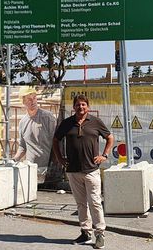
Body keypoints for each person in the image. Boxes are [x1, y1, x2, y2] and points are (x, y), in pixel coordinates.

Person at [53, 94, 114, 249]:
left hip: (91, 170)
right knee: (81, 204)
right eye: (78, 105)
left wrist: (104, 155)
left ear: (88, 106)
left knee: (94, 202)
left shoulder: (95, 122)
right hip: (73, 171)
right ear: (74, 107)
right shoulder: (67, 123)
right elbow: (55, 140)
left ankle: (99, 234)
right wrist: (60, 158)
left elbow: (110, 138)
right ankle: (85, 233)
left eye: (83, 105)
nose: (81, 107)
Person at [13, 87, 56, 181]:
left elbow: (56, 142)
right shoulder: (23, 122)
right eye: (29, 99)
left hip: (47, 169)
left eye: (34, 98)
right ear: (23, 101)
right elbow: (22, 146)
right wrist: (13, 160)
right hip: (30, 169)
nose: (33, 101)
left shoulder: (47, 117)